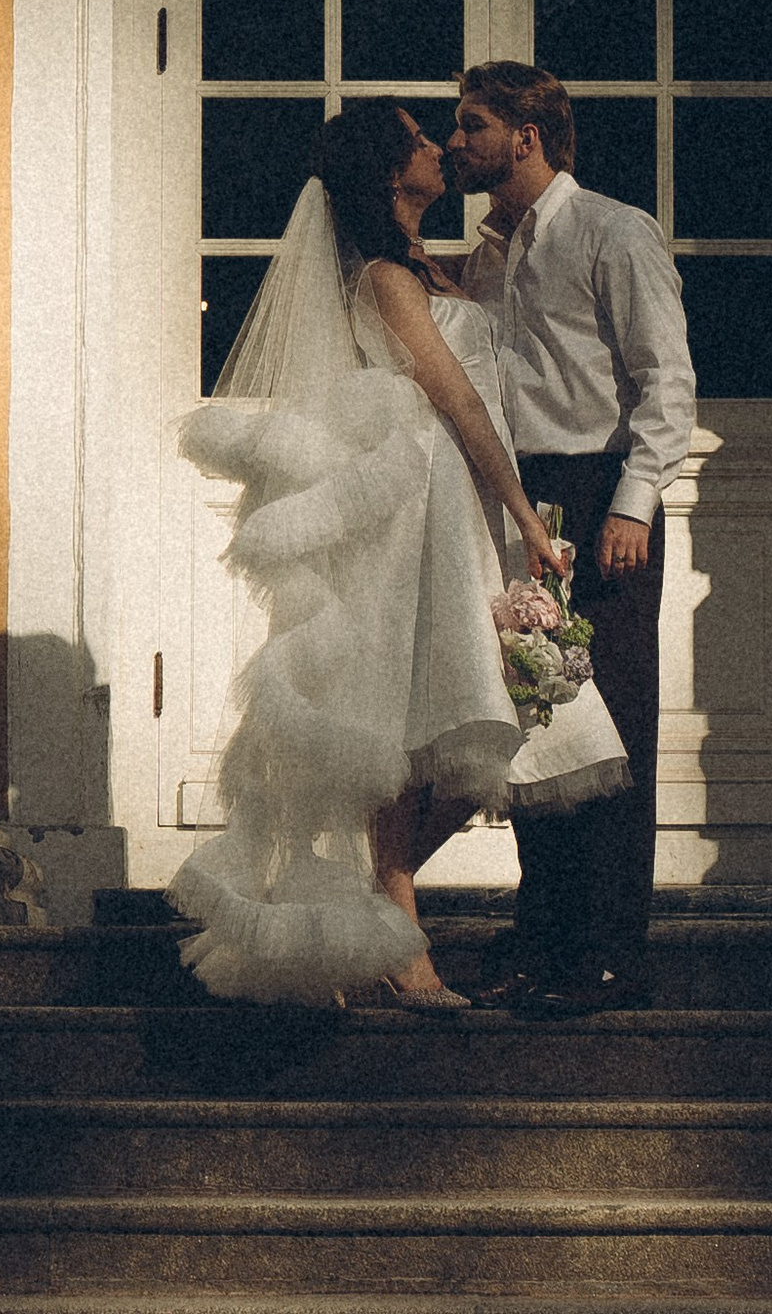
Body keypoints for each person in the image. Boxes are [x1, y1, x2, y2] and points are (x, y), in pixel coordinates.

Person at [174, 100, 568, 1008]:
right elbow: (457, 399)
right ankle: (400, 935)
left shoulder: (429, 267)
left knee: (484, 712)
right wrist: (525, 514)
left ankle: (376, 909)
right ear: (392, 173)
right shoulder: (387, 278)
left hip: (457, 502)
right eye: (421, 140)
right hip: (419, 504)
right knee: (412, 718)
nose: (439, 148)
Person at [450, 61, 695, 1016]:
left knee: (614, 724)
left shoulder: (613, 231)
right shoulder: (488, 257)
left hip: (601, 495)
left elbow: (666, 379)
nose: (458, 142)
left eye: (472, 125)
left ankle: (609, 953)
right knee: (539, 726)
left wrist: (635, 501)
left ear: (526, 135)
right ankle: (544, 940)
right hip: (525, 502)